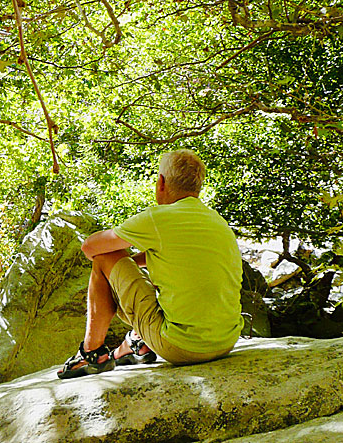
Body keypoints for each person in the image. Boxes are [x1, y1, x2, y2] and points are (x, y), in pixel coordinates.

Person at [57, 148, 244, 379]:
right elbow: (174, 256)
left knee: (103, 258)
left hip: (182, 348)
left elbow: (91, 247)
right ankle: (138, 343)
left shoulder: (158, 218)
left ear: (161, 182)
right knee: (172, 282)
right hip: (226, 341)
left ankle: (92, 353)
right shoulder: (217, 221)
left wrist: (118, 263)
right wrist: (129, 264)